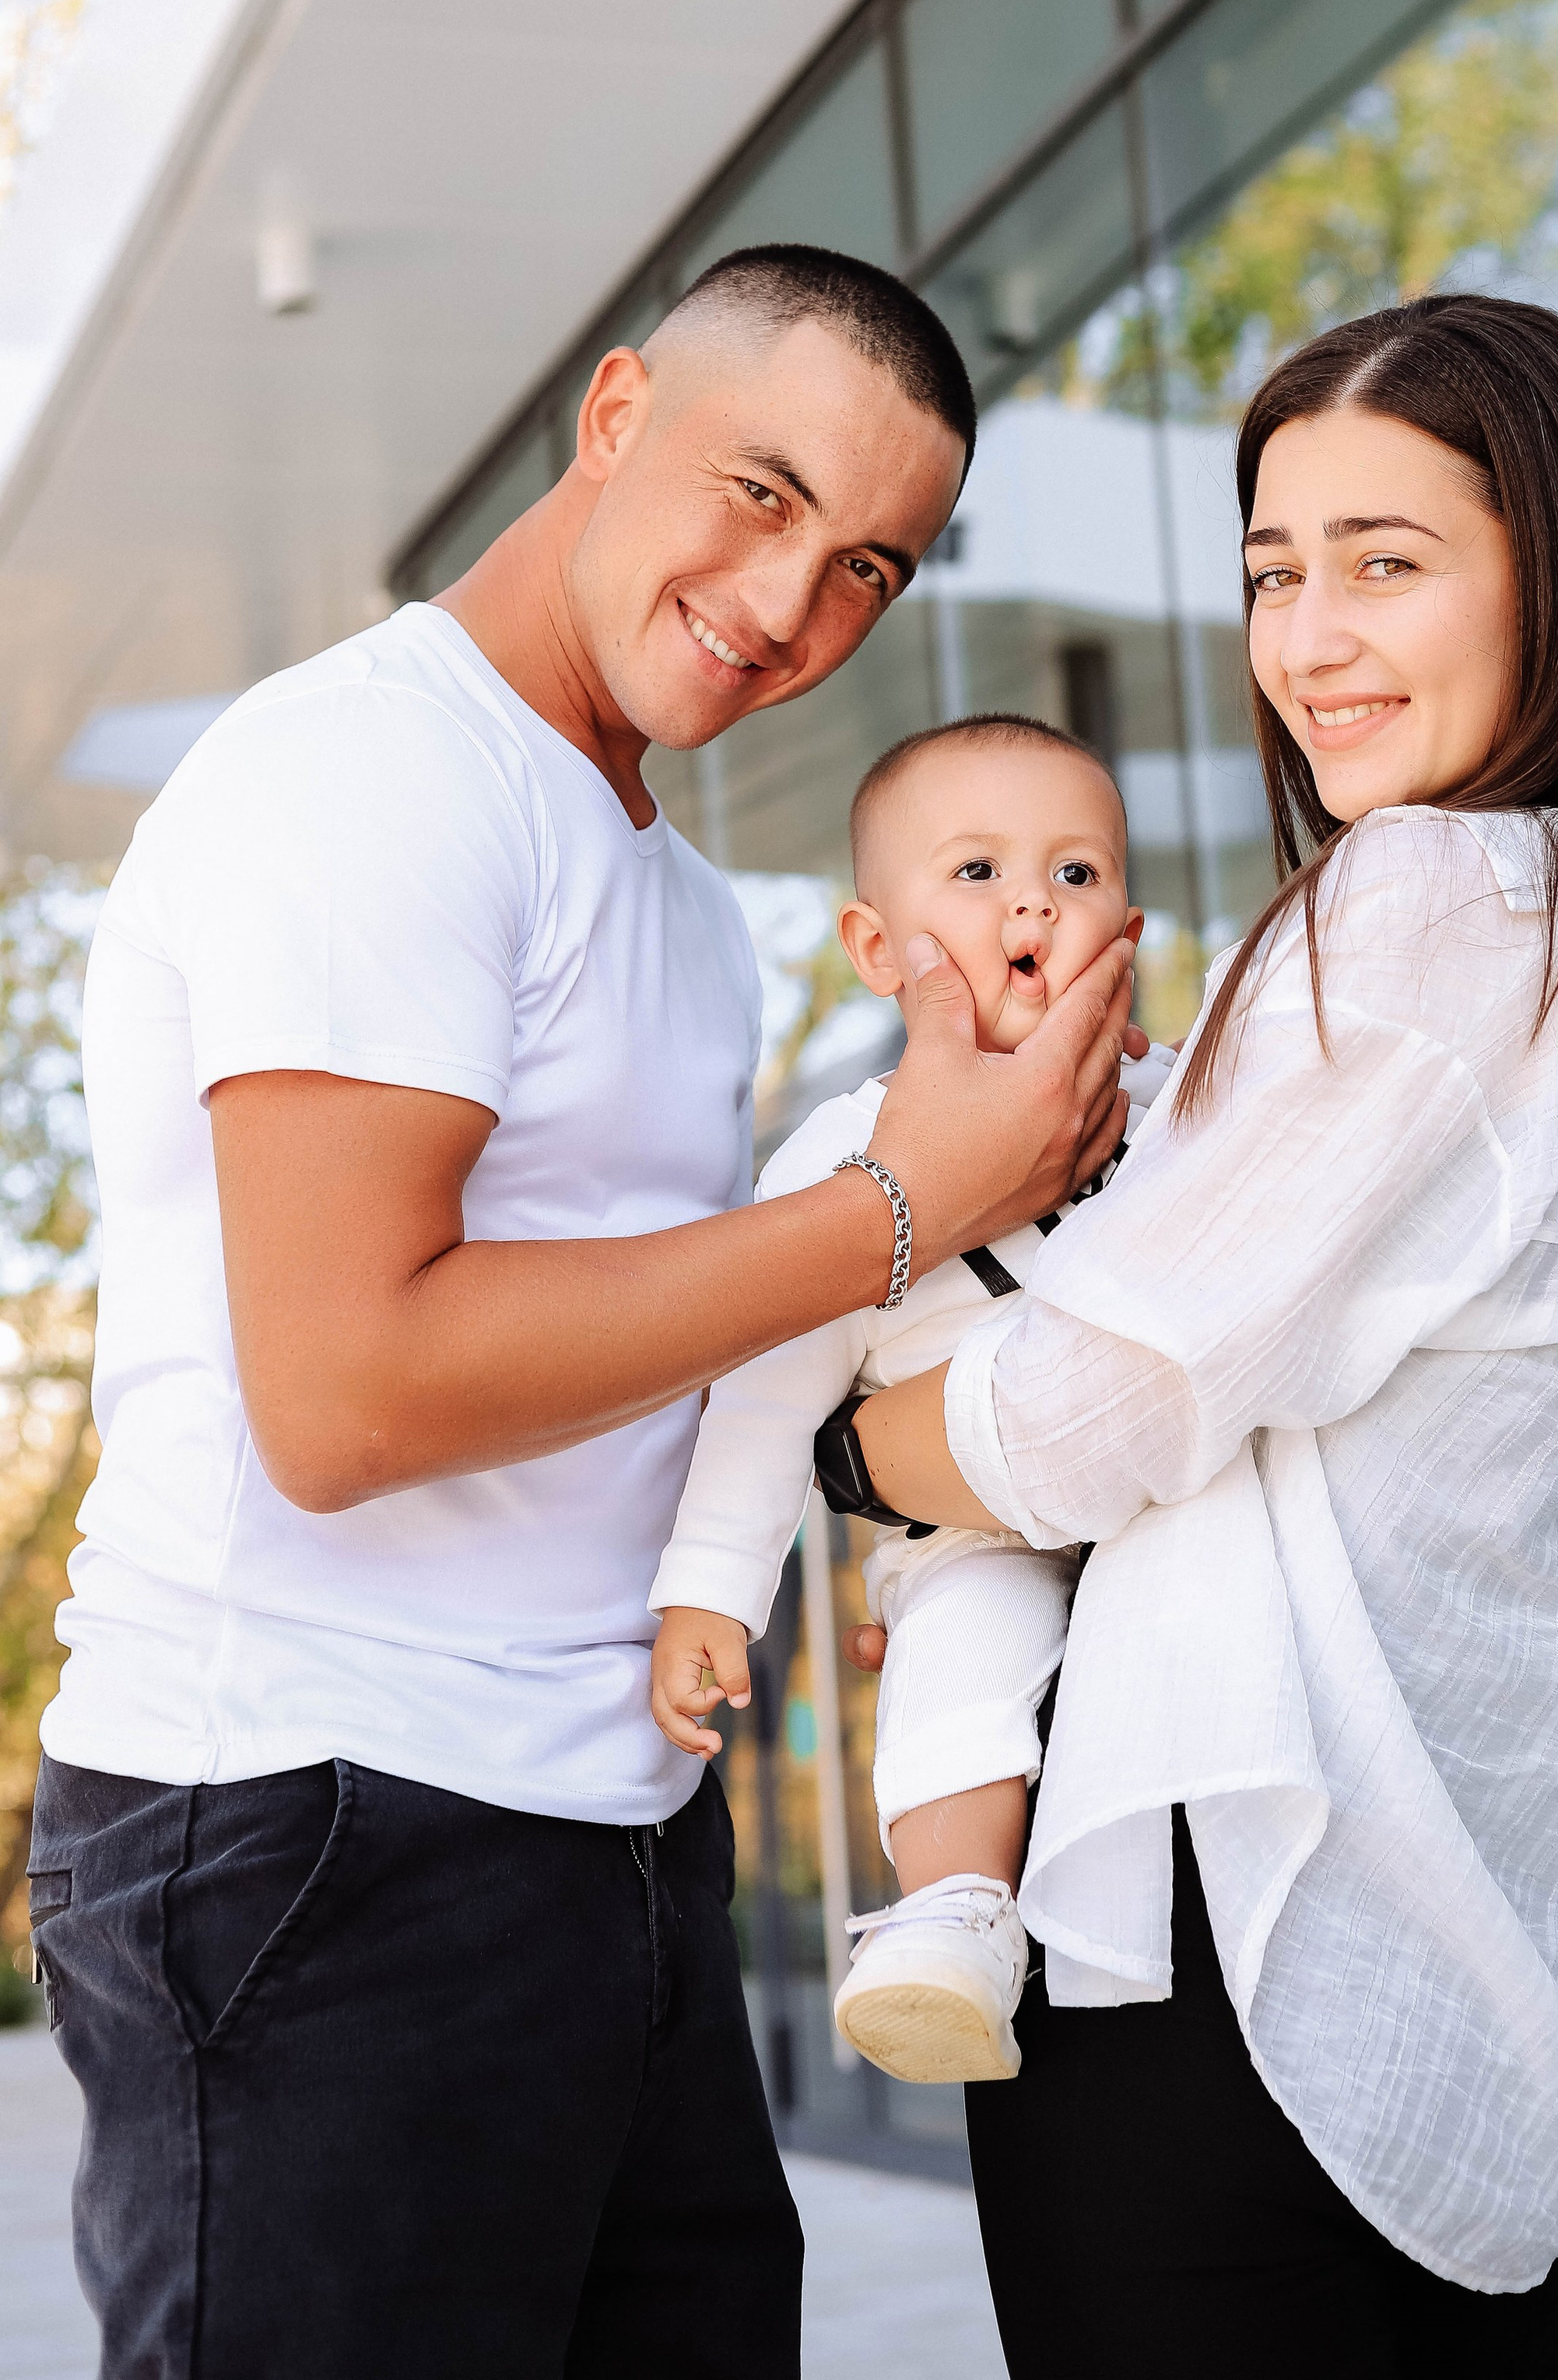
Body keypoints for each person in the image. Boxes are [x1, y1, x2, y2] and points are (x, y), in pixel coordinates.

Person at [24, 244, 1136, 2380]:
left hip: (606, 1832)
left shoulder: (682, 901)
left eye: (871, 570)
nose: (796, 602)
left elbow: (679, 1344)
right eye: (763, 492)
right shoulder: (372, 775)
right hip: (312, 1819)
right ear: (614, 417)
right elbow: (347, 1394)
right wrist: (909, 1203)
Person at [846, 295, 1558, 2374]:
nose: (1310, 640)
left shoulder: (1437, 912)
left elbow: (1103, 1400)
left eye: (1388, 560)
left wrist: (855, 1452)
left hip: (1244, 1953)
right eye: (1279, 572)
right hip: (1448, 2003)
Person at [651, 713, 1174, 2084]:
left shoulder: (1189, 1106)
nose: (1031, 907)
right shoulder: (847, 1155)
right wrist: (713, 1589)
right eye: (978, 872)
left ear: (1128, 924)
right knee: (959, 1668)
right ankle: (953, 1922)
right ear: (878, 951)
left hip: (1176, 1532)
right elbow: (766, 1397)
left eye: (1076, 875)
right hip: (970, 1536)